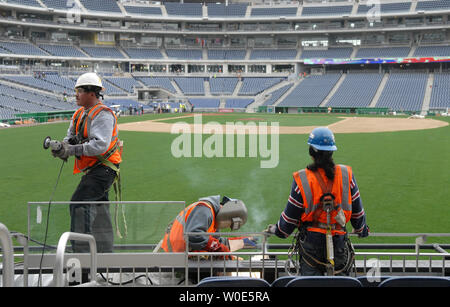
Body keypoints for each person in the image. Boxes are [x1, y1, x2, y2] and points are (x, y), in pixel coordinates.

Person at [265, 127, 369, 276]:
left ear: (311, 152)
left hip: (311, 246)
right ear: (332, 151)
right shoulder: (346, 175)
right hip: (338, 242)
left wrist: (278, 230)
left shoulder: (303, 179)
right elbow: (358, 214)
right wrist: (361, 230)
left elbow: (288, 221)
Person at [50, 72, 122, 254]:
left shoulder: (103, 114)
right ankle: (105, 256)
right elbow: (70, 138)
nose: (76, 95)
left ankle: (81, 257)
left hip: (104, 169)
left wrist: (71, 150)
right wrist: (62, 148)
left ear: (92, 93)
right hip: (95, 170)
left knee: (79, 204)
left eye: (79, 91)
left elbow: (100, 145)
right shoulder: (79, 114)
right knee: (100, 211)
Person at [161, 195, 257, 257]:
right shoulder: (205, 209)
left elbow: (218, 243)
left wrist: (244, 241)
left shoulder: (212, 218)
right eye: (229, 224)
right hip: (176, 257)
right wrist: (219, 249)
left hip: (182, 255)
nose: (227, 227)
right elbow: (194, 235)